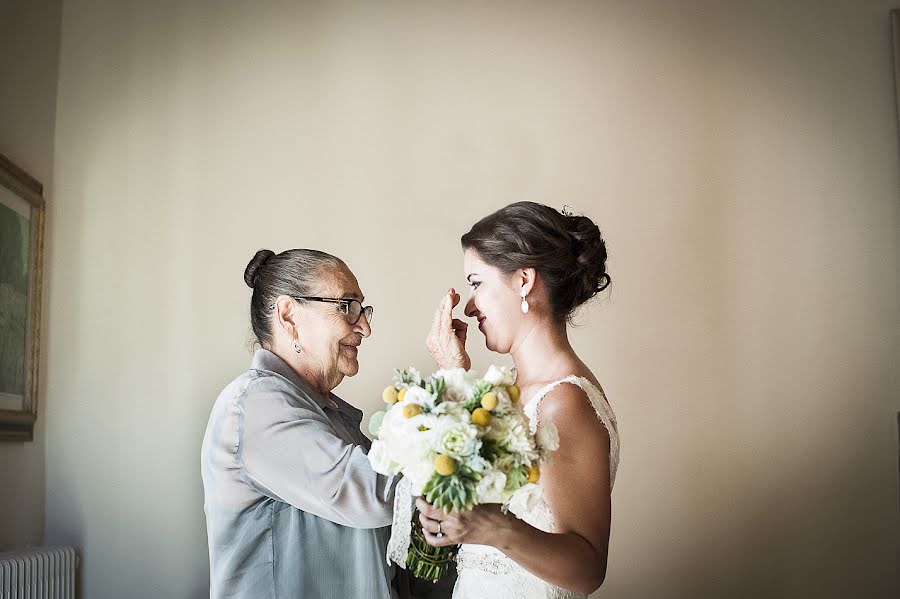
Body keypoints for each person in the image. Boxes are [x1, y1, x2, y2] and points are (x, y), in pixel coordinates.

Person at [419, 202, 620, 599]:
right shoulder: (510, 390)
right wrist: (453, 377)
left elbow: (588, 569)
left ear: (523, 281)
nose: (471, 305)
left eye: (476, 283)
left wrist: (492, 528)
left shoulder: (563, 402)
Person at [201, 248, 406, 598]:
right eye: (347, 306)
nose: (365, 327)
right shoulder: (254, 404)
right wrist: (448, 397)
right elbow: (375, 494)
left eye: (362, 308)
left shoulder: (334, 415)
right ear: (289, 316)